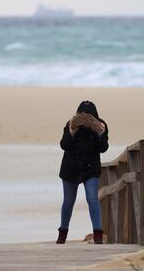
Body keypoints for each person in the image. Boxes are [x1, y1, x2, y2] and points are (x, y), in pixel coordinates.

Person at [56, 101, 109, 244]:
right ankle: (62, 235)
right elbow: (64, 145)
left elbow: (103, 148)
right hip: (71, 168)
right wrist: (72, 133)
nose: (86, 118)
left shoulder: (101, 125)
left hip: (90, 168)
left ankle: (98, 235)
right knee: (68, 202)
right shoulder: (71, 124)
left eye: (89, 116)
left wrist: (100, 133)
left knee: (92, 199)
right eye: (83, 115)